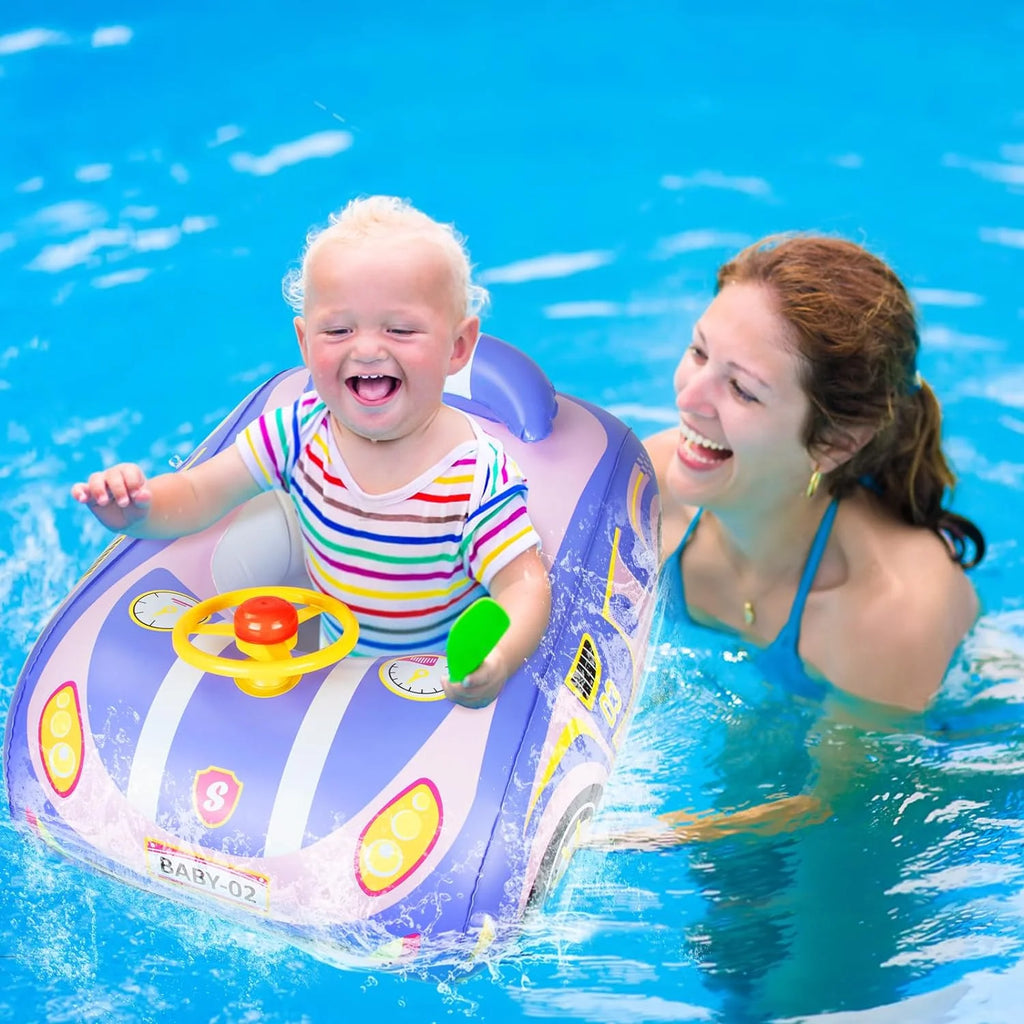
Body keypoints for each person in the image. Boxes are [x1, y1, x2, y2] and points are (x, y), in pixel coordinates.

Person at [71, 195, 551, 709]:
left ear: (458, 346)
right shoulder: (297, 433)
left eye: (401, 329)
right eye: (338, 330)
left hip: (429, 692)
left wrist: (495, 661)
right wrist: (136, 508)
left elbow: (523, 586)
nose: (366, 349)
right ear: (304, 341)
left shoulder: (476, 477)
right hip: (335, 675)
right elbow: (197, 494)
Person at [588, 232, 985, 851]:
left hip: (959, 738)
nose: (689, 399)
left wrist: (614, 839)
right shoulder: (654, 486)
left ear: (835, 442)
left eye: (743, 389)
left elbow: (834, 802)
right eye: (698, 352)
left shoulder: (889, 610)